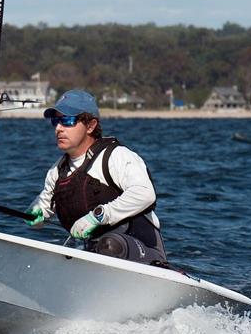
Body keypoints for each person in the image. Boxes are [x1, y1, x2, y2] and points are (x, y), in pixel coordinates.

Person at [26, 89, 167, 265]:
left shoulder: (116, 156)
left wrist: (97, 217)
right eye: (55, 121)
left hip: (142, 251)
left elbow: (145, 194)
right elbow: (44, 208)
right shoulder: (56, 172)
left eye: (67, 120)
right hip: (94, 258)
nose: (58, 128)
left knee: (108, 246)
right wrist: (35, 214)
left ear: (91, 125)